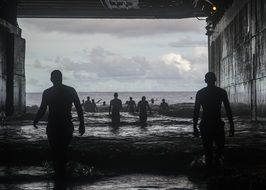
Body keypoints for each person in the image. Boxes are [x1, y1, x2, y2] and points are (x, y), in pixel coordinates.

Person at [33, 70, 85, 182]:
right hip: (65, 125)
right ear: (60, 78)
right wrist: (82, 124)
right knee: (62, 150)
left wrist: (36, 120)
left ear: (51, 79)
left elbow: (42, 109)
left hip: (54, 125)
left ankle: (59, 175)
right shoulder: (70, 90)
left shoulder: (48, 92)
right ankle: (63, 174)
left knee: (56, 150)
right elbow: (79, 108)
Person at [193, 72, 234, 169]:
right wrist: (232, 125)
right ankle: (216, 170)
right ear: (215, 80)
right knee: (220, 149)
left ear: (205, 80)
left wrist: (194, 126)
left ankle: (209, 173)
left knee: (208, 150)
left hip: (205, 124)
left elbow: (196, 111)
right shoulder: (221, 92)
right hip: (217, 124)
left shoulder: (200, 93)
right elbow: (228, 109)